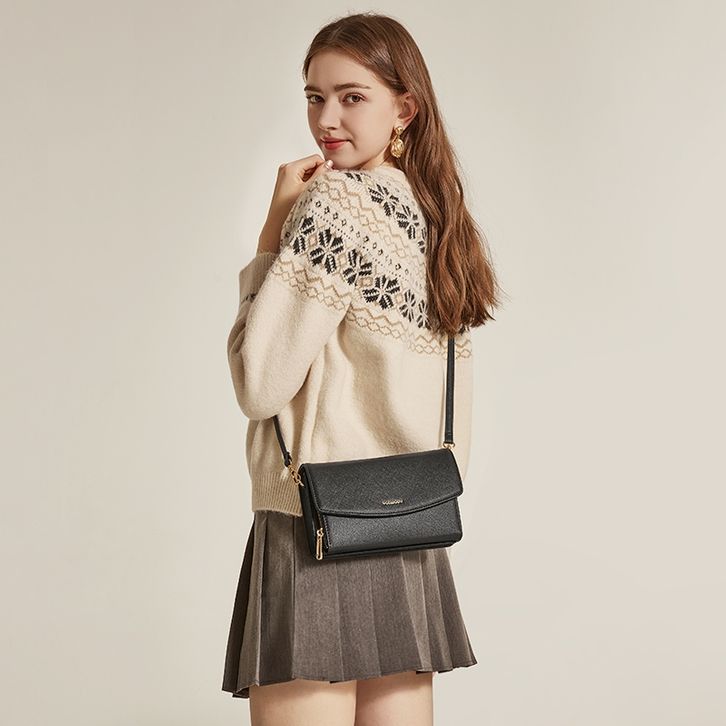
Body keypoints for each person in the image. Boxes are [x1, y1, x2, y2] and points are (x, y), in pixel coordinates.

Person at [221, 12, 503, 726]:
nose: (327, 119)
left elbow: (259, 382)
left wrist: (270, 235)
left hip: (316, 526)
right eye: (315, 97)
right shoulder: (434, 213)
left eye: (352, 97)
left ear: (404, 108)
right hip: (409, 526)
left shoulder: (335, 202)